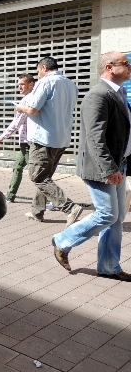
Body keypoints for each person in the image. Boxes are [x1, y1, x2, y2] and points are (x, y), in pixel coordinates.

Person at [52, 52, 131, 281]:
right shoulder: (98, 95)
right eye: (126, 64)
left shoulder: (119, 92)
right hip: (102, 168)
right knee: (107, 214)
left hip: (119, 164)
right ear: (109, 67)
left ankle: (108, 267)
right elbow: (95, 138)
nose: (130, 68)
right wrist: (109, 169)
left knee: (116, 218)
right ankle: (62, 240)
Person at [16, 56, 82, 227]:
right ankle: (37, 211)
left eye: (38, 71)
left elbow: (32, 109)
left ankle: (69, 208)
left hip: (43, 138)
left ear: (44, 68)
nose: (38, 74)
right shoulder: (70, 84)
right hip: (62, 137)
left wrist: (19, 106)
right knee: (45, 177)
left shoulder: (45, 83)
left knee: (37, 176)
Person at [0, 74, 35, 203]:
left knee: (37, 175)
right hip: (26, 142)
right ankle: (10, 195)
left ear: (31, 84)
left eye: (22, 84)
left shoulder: (26, 101)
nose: (19, 87)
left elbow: (16, 123)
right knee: (17, 167)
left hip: (29, 143)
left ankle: (52, 199)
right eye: (19, 84)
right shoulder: (35, 98)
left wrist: (2, 137)